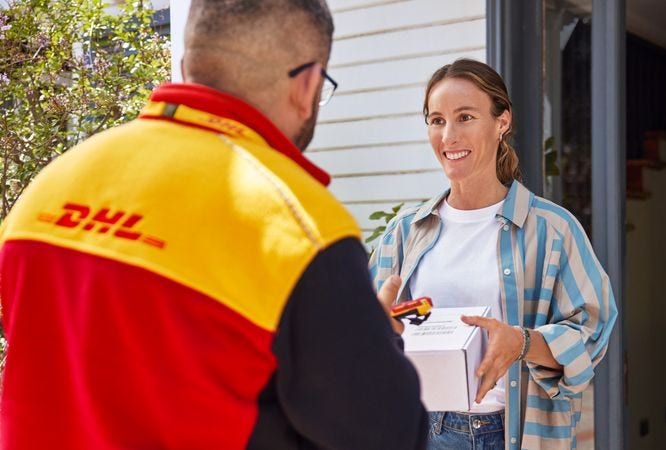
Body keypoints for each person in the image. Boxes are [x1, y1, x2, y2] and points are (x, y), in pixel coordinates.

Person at [0, 1, 427, 448]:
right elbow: (387, 435)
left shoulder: (46, 194)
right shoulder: (296, 228)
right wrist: (374, 339)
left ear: (187, 67)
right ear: (307, 85)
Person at [369, 58, 618, 450]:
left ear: (502, 122)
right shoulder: (404, 231)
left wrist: (522, 343)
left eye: (465, 117)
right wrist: (378, 325)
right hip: (413, 426)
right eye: (437, 120)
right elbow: (361, 334)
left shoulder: (552, 229)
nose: (448, 136)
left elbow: (593, 333)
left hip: (502, 433)